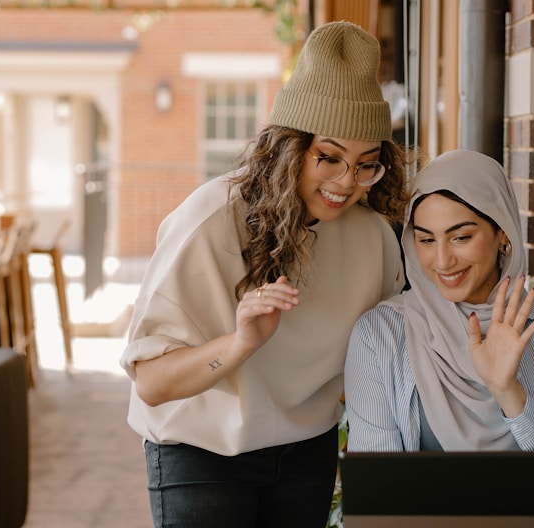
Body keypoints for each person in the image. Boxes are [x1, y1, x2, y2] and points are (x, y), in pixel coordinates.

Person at [119, 21, 410, 528]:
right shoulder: (210, 223)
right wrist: (240, 344)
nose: (348, 182)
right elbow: (151, 383)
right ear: (289, 146)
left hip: (306, 452)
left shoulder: (372, 237)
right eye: (330, 157)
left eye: (367, 164)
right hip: (201, 452)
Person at [343, 150, 534, 526]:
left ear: (502, 231)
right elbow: (377, 504)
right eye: (425, 240)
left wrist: (511, 395)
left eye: (461, 237)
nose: (441, 261)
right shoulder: (380, 336)